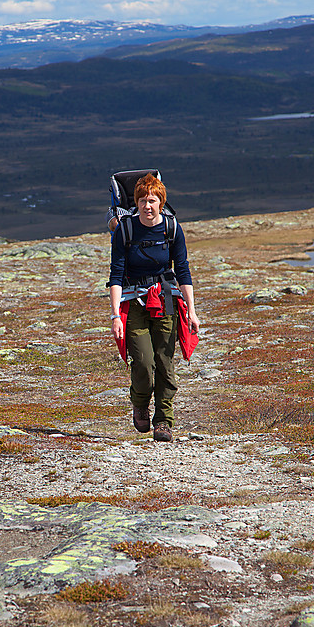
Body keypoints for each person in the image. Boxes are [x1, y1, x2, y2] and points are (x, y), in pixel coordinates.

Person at [108, 173, 199, 442]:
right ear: (135, 203)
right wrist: (115, 316)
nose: (147, 206)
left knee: (165, 364)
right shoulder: (125, 230)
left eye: (152, 200)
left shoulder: (172, 229)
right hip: (134, 304)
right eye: (142, 201)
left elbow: (183, 271)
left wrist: (192, 310)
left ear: (161, 202)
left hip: (166, 303)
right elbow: (115, 275)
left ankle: (163, 421)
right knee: (144, 363)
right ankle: (139, 403)